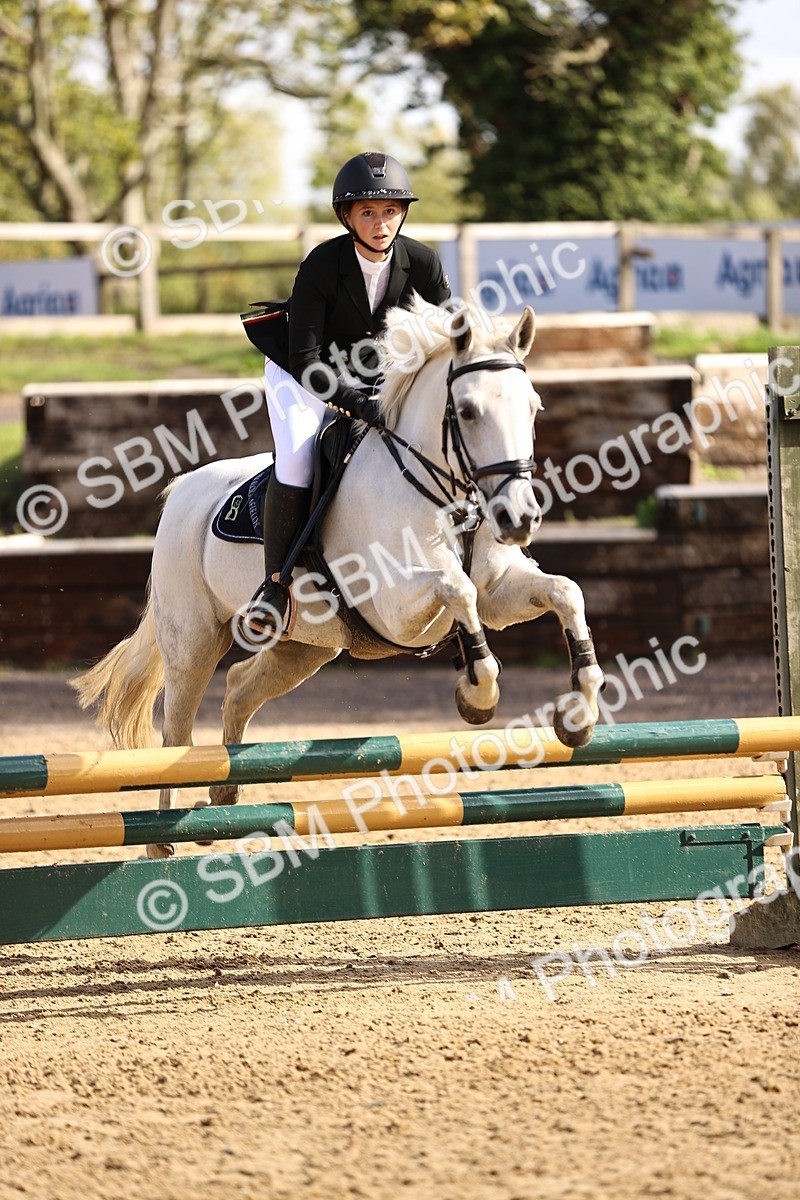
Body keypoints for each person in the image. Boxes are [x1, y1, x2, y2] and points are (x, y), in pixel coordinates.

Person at [245, 151, 451, 636]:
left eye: (390, 212)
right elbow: (306, 361)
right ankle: (275, 583)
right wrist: (356, 403)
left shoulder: (422, 262)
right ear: (347, 217)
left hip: (379, 374)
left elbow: (443, 342)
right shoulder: (322, 264)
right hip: (306, 374)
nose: (381, 224)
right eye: (368, 213)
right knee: (297, 457)